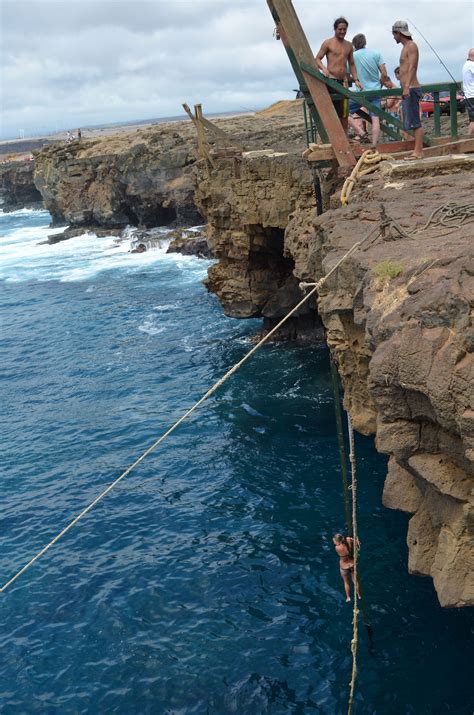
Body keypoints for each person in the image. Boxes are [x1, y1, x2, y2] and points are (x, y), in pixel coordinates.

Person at [315, 17, 362, 133]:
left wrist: (356, 79)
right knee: (332, 112)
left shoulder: (349, 45)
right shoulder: (328, 43)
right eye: (340, 29)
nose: (342, 32)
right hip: (331, 81)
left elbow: (351, 63)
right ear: (335, 29)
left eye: (344, 29)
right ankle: (334, 137)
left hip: (344, 82)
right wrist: (323, 69)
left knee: (345, 113)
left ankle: (344, 137)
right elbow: (317, 59)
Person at [392, 20, 423, 159]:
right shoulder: (405, 47)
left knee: (415, 122)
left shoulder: (411, 46)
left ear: (399, 33)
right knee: (411, 121)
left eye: (394, 34)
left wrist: (407, 86)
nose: (393, 37)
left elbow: (413, 67)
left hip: (411, 88)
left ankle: (419, 152)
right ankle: (416, 150)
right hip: (408, 88)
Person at [351, 34, 388, 145]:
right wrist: (379, 85)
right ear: (365, 42)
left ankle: (361, 132)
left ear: (354, 44)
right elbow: (384, 74)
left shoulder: (353, 56)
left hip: (361, 93)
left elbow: (348, 74)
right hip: (375, 91)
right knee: (375, 118)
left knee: (342, 112)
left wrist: (357, 80)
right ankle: (374, 144)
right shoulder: (376, 53)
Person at [333, 533, 361, 602]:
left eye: (334, 541)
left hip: (344, 566)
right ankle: (359, 595)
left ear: (338, 541)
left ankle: (348, 597)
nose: (334, 542)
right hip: (352, 564)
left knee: (346, 582)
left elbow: (340, 547)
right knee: (355, 581)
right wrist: (352, 540)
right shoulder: (348, 540)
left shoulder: (337, 548)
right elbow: (358, 543)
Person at [462, 48, 474, 135]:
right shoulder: (471, 65)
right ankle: (468, 138)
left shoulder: (465, 65)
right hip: (472, 95)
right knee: (473, 120)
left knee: (472, 119)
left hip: (468, 95)